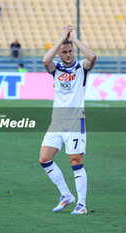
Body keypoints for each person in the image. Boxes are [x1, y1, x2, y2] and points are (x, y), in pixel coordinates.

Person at [39, 25, 96, 214]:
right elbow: (46, 60)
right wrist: (61, 38)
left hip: (74, 121)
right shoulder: (56, 69)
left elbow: (93, 57)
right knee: (44, 159)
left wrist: (74, 39)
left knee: (75, 160)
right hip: (56, 122)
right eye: (64, 52)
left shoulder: (82, 68)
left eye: (70, 51)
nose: (69, 54)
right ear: (60, 54)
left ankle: (82, 204)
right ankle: (66, 195)